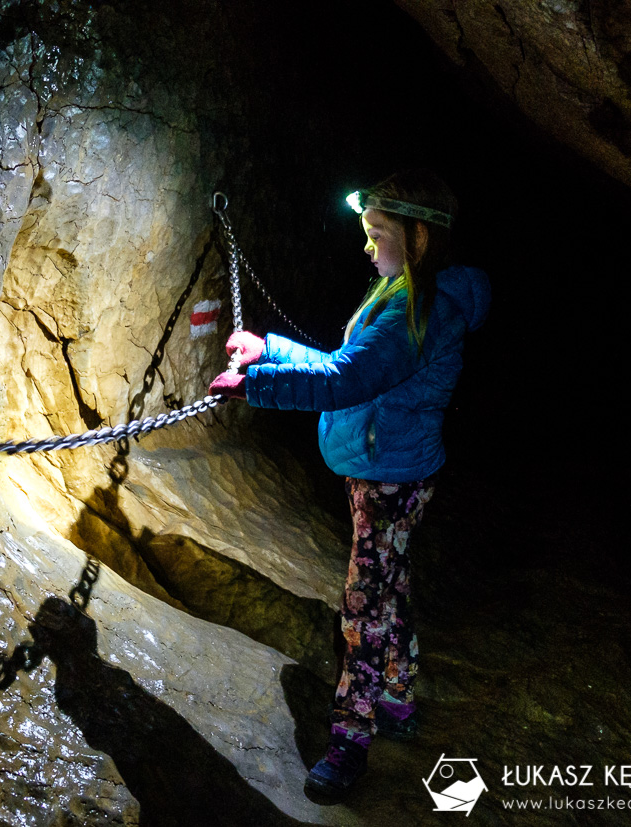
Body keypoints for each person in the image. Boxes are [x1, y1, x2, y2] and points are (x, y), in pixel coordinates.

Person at [209, 169, 491, 801]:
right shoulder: (400, 293)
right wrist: (270, 348)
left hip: (391, 478)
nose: (367, 246)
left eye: (378, 233)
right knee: (390, 583)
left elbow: (344, 383)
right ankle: (396, 695)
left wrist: (254, 384)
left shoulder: (419, 311)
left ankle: (350, 740)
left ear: (418, 239)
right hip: (391, 469)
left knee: (364, 608)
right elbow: (344, 368)